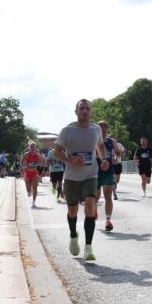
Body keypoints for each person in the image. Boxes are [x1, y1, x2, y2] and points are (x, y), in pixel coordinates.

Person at [55, 99, 109, 261]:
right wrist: (71, 160)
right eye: (82, 108)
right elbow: (56, 152)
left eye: (87, 108)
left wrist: (103, 159)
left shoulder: (96, 129)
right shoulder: (67, 131)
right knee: (72, 211)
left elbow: (100, 146)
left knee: (90, 207)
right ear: (76, 111)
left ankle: (88, 247)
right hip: (71, 177)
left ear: (91, 112)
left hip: (90, 175)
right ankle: (73, 236)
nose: (85, 111)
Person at [95, 121, 122, 231]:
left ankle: (108, 220)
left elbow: (118, 152)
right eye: (100, 127)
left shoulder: (112, 141)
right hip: (96, 170)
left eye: (105, 127)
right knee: (96, 197)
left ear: (107, 129)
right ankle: (94, 211)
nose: (103, 129)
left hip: (108, 170)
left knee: (108, 195)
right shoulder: (93, 140)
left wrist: (116, 155)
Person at [22, 142, 45, 207]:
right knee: (28, 190)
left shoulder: (37, 155)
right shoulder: (26, 154)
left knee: (35, 187)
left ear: (35, 148)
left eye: (34, 147)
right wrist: (24, 167)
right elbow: (21, 162)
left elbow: (41, 163)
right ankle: (29, 191)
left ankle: (34, 202)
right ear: (29, 148)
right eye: (31, 147)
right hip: (28, 173)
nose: (32, 148)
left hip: (35, 172)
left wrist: (39, 165)